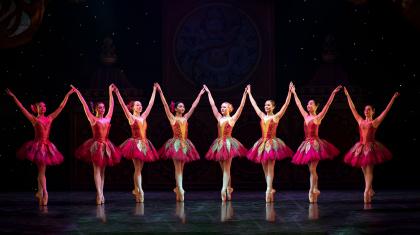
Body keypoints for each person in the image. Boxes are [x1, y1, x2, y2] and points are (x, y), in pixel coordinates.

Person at [6, 87, 75, 206]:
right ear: (36, 108)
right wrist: (14, 97)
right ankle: (45, 193)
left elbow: (61, 107)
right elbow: (22, 108)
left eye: (44, 106)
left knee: (41, 171)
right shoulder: (34, 119)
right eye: (40, 106)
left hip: (47, 147)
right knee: (42, 171)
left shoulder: (50, 118)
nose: (43, 108)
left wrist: (68, 94)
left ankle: (40, 192)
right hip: (37, 147)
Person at [343, 87, 399, 203]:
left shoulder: (375, 122)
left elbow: (386, 111)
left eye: (369, 110)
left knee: (369, 171)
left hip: (371, 148)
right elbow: (352, 108)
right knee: (364, 170)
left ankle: (366, 191)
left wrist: (393, 99)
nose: (366, 111)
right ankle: (371, 189)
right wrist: (348, 96)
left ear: (373, 111)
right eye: (365, 110)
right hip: (360, 148)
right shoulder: (360, 120)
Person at [291, 85, 341, 203]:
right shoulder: (305, 115)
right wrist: (294, 92)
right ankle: (314, 189)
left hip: (316, 145)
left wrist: (333, 93)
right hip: (306, 146)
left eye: (311, 104)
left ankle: (312, 190)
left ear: (316, 106)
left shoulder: (318, 117)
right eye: (307, 104)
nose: (308, 105)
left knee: (313, 169)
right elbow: (298, 104)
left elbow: (327, 106)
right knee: (311, 170)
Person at [72, 84, 121, 205]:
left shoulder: (108, 118)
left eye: (103, 107)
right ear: (96, 109)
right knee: (97, 170)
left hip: (106, 146)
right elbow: (84, 104)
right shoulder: (92, 118)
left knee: (103, 171)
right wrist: (78, 93)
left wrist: (110, 92)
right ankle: (99, 194)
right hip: (95, 146)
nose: (102, 109)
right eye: (100, 107)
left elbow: (112, 106)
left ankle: (101, 193)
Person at [156, 83, 205, 201]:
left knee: (181, 168)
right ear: (176, 108)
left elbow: (193, 106)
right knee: (177, 168)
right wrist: (160, 91)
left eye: (183, 107)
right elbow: (164, 105)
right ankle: (181, 189)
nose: (183, 108)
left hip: (184, 144)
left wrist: (200, 94)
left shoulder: (185, 118)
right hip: (175, 145)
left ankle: (179, 189)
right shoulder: (172, 118)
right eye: (181, 106)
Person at [246, 83, 294, 202]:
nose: (266, 107)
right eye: (265, 105)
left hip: (272, 143)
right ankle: (270, 187)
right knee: (264, 167)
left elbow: (286, 105)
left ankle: (268, 189)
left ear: (273, 107)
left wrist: (289, 92)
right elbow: (254, 105)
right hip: (262, 144)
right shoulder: (262, 116)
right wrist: (249, 94)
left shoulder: (276, 117)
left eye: (268, 105)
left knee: (271, 167)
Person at [113, 83, 159, 203]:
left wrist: (154, 90)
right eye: (137, 105)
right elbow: (123, 105)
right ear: (133, 108)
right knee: (137, 168)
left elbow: (150, 104)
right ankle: (140, 190)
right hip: (134, 144)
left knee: (139, 169)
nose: (140, 106)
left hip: (144, 145)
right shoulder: (131, 117)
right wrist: (117, 92)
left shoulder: (143, 117)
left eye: (140, 105)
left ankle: (136, 189)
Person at [203, 85, 248, 201]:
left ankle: (223, 189)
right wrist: (208, 93)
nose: (222, 109)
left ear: (230, 108)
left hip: (228, 144)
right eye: (221, 107)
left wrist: (245, 94)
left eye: (224, 107)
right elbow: (212, 105)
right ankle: (228, 189)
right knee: (224, 170)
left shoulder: (232, 119)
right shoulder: (219, 117)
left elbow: (242, 106)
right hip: (218, 144)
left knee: (227, 168)